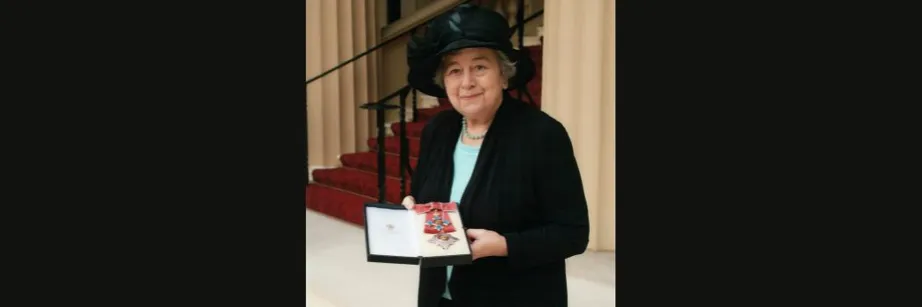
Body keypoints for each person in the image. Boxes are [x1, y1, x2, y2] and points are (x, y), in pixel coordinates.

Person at [401, 4, 590, 307]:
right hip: (439, 297)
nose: (467, 82)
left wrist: (505, 245)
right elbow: (430, 197)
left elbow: (573, 233)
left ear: (504, 75)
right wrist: (414, 207)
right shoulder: (438, 130)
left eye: (480, 67)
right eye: (454, 70)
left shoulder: (541, 135)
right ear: (444, 83)